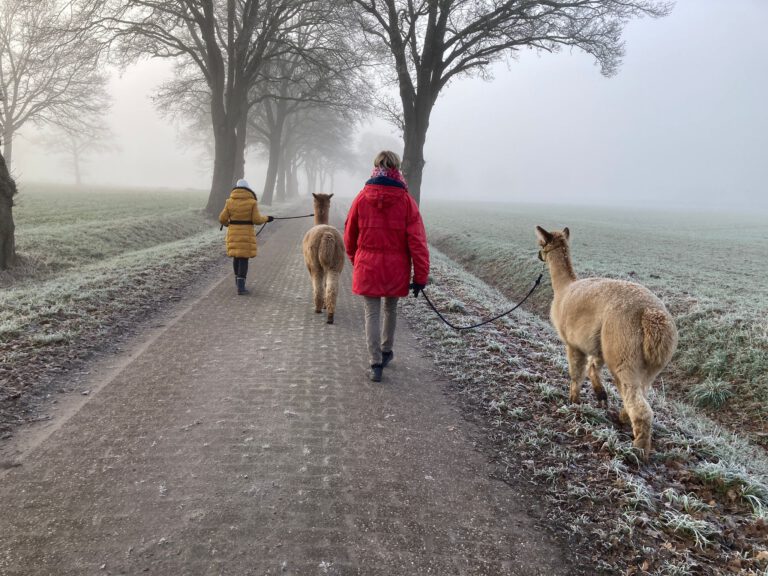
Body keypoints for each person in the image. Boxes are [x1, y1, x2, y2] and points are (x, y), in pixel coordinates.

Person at [344, 151, 430, 382]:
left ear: (376, 166)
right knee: (390, 309)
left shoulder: (361, 198)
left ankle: (375, 364)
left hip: (367, 264)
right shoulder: (406, 201)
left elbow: (349, 235)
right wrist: (420, 277)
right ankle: (386, 351)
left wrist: (356, 259)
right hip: (396, 266)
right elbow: (418, 242)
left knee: (371, 312)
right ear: (397, 168)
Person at [218, 179, 273, 295]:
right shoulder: (252, 202)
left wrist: (228, 224)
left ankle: (237, 283)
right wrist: (267, 218)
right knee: (243, 258)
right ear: (248, 189)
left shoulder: (229, 202)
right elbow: (257, 220)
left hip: (233, 233)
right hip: (246, 233)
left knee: (236, 256)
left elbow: (222, 219)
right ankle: (241, 287)